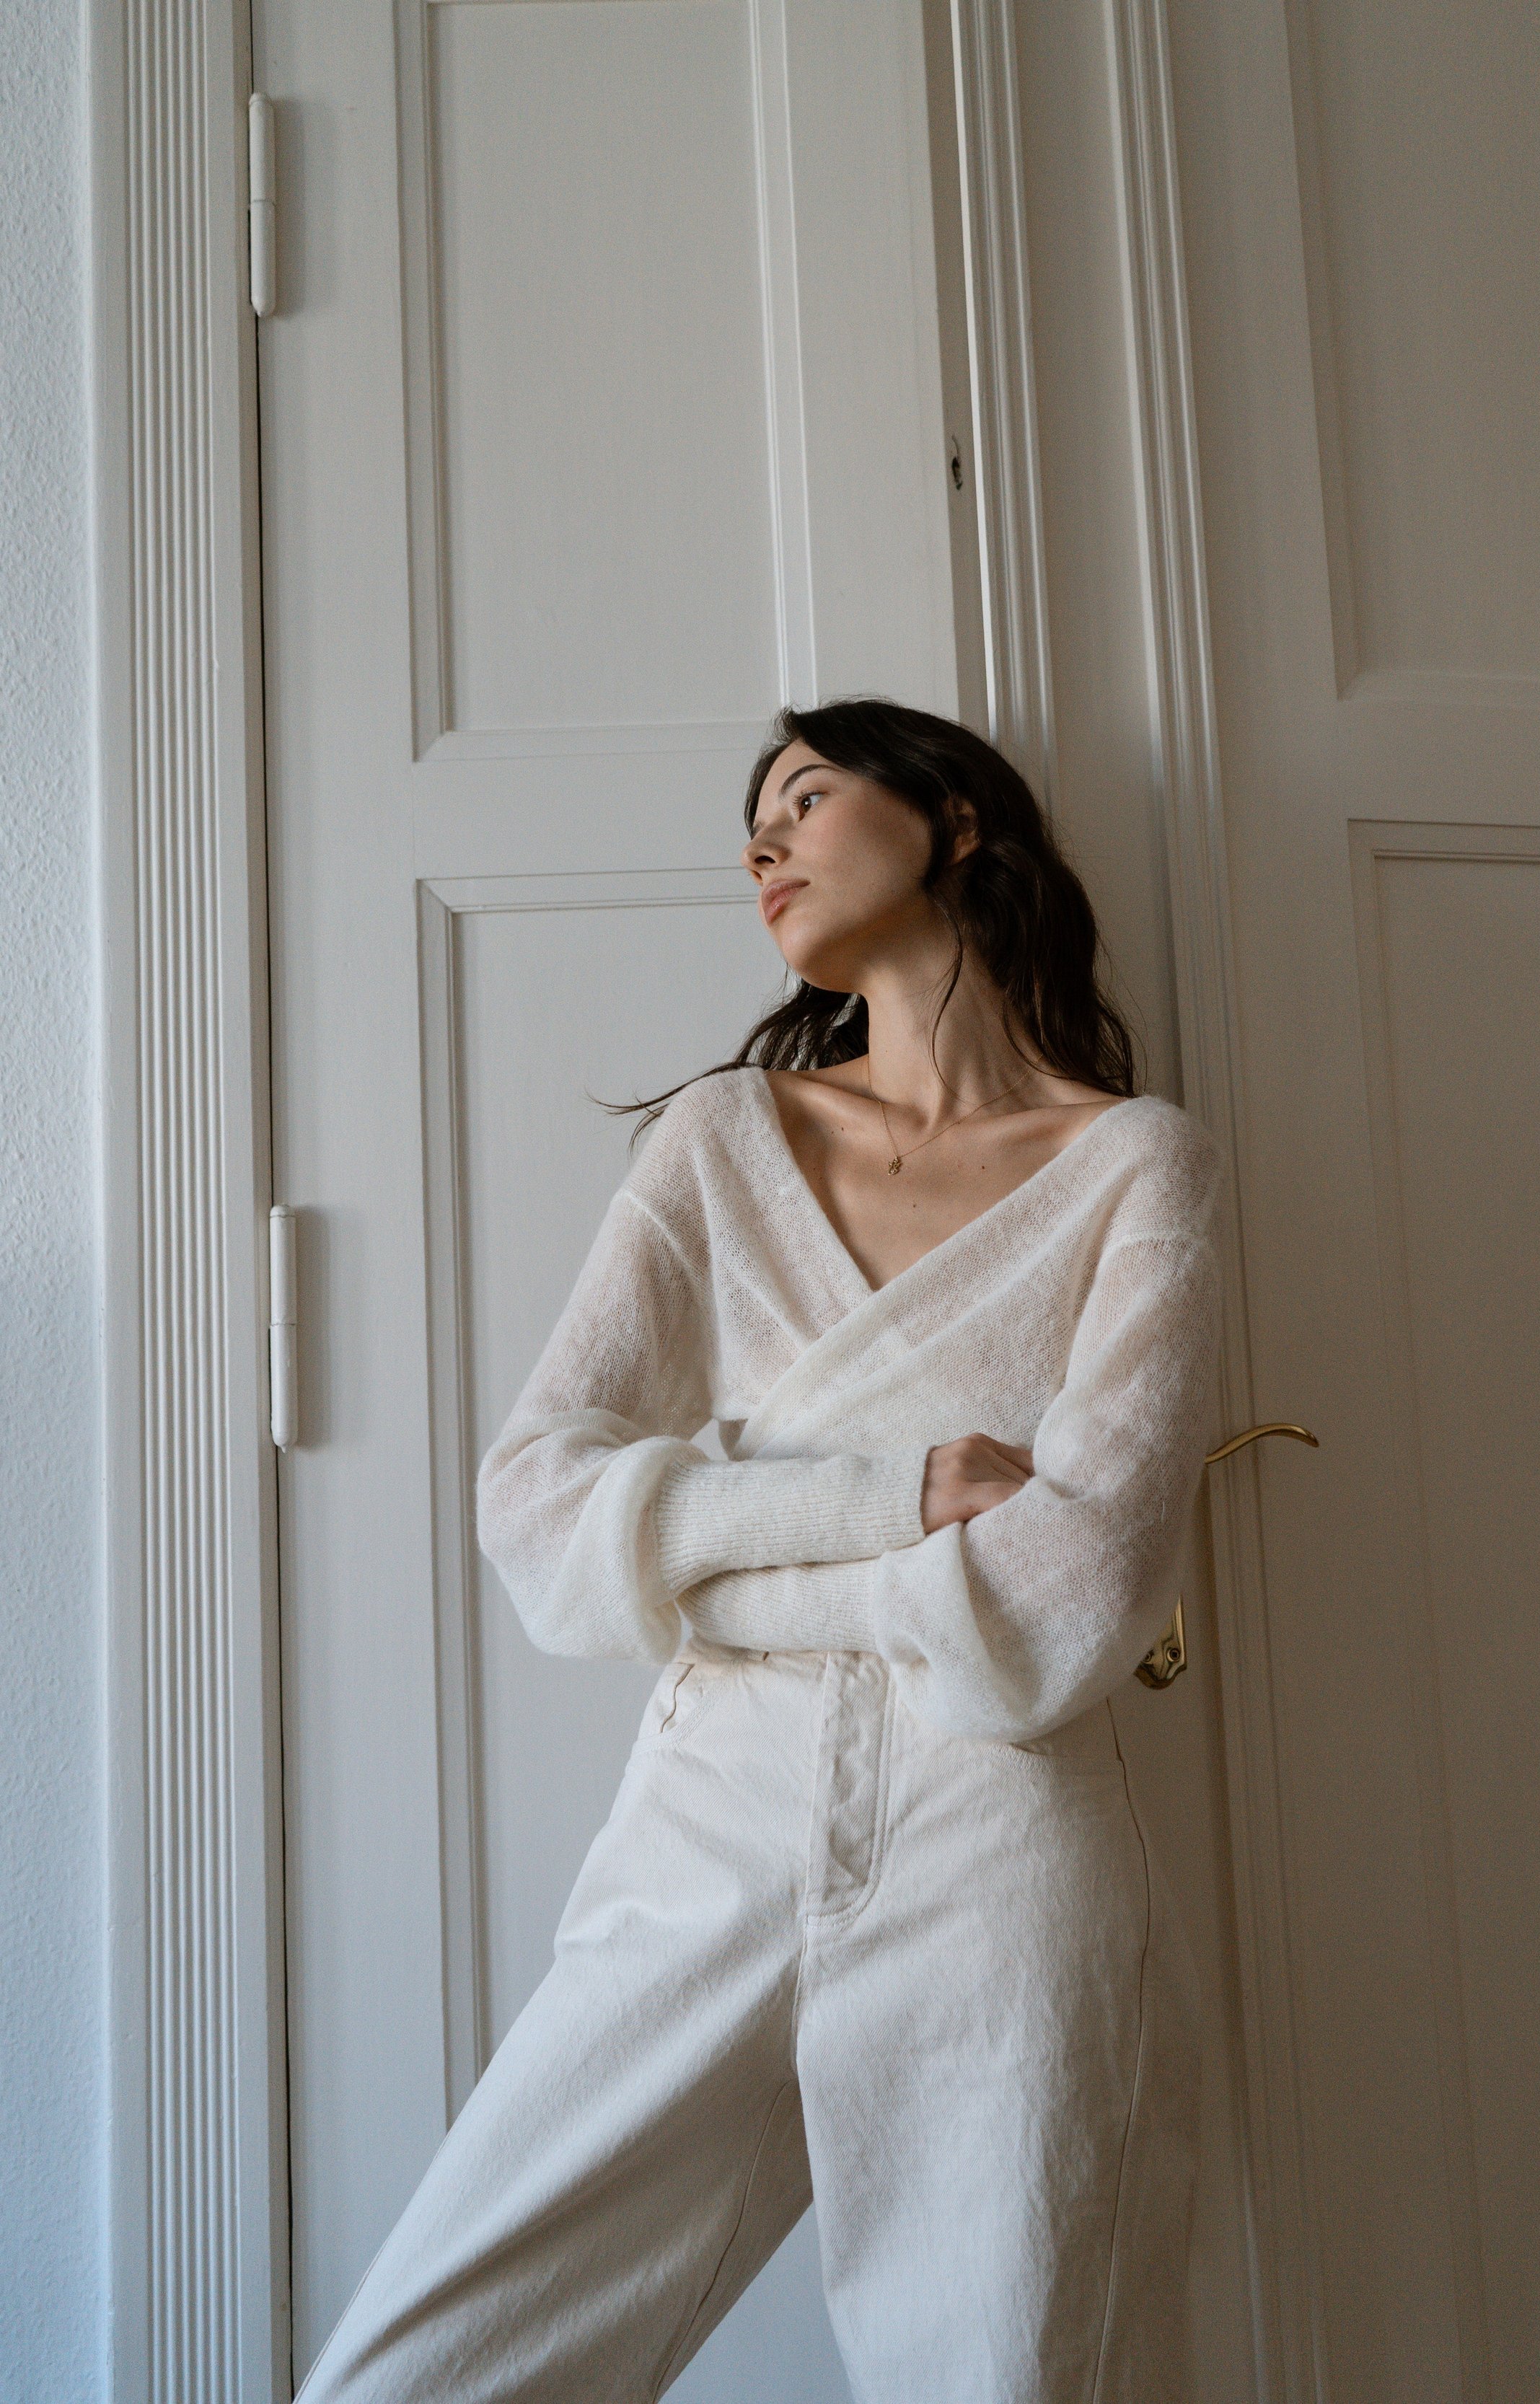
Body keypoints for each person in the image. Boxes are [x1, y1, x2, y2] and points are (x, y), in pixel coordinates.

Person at [296, 695, 1226, 2402]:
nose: (761, 843)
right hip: (709, 1811)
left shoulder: (1133, 1168)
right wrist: (885, 1496)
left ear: (951, 819)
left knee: (1013, 2373)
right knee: (427, 2362)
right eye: (755, 817)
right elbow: (534, 1508)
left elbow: (1070, 1600)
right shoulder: (724, 1138)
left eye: (804, 793)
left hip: (999, 1835)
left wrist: (701, 1554)